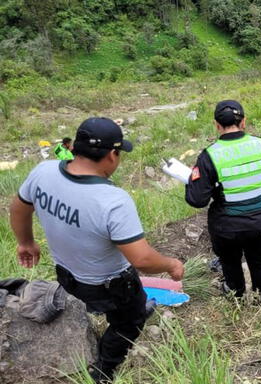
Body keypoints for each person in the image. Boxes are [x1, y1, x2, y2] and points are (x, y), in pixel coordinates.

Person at [9, 117, 184, 383]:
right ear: (112, 155)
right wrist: (171, 265)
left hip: (67, 275)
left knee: (94, 303)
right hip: (108, 284)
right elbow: (142, 259)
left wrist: (26, 242)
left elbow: (19, 207)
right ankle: (104, 369)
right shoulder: (112, 200)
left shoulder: (43, 172)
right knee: (130, 319)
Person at [185, 100, 261, 301]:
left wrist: (192, 179)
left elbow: (197, 200)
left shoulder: (209, 156)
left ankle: (236, 295)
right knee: (260, 263)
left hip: (226, 227)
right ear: (243, 122)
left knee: (230, 262)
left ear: (216, 125)